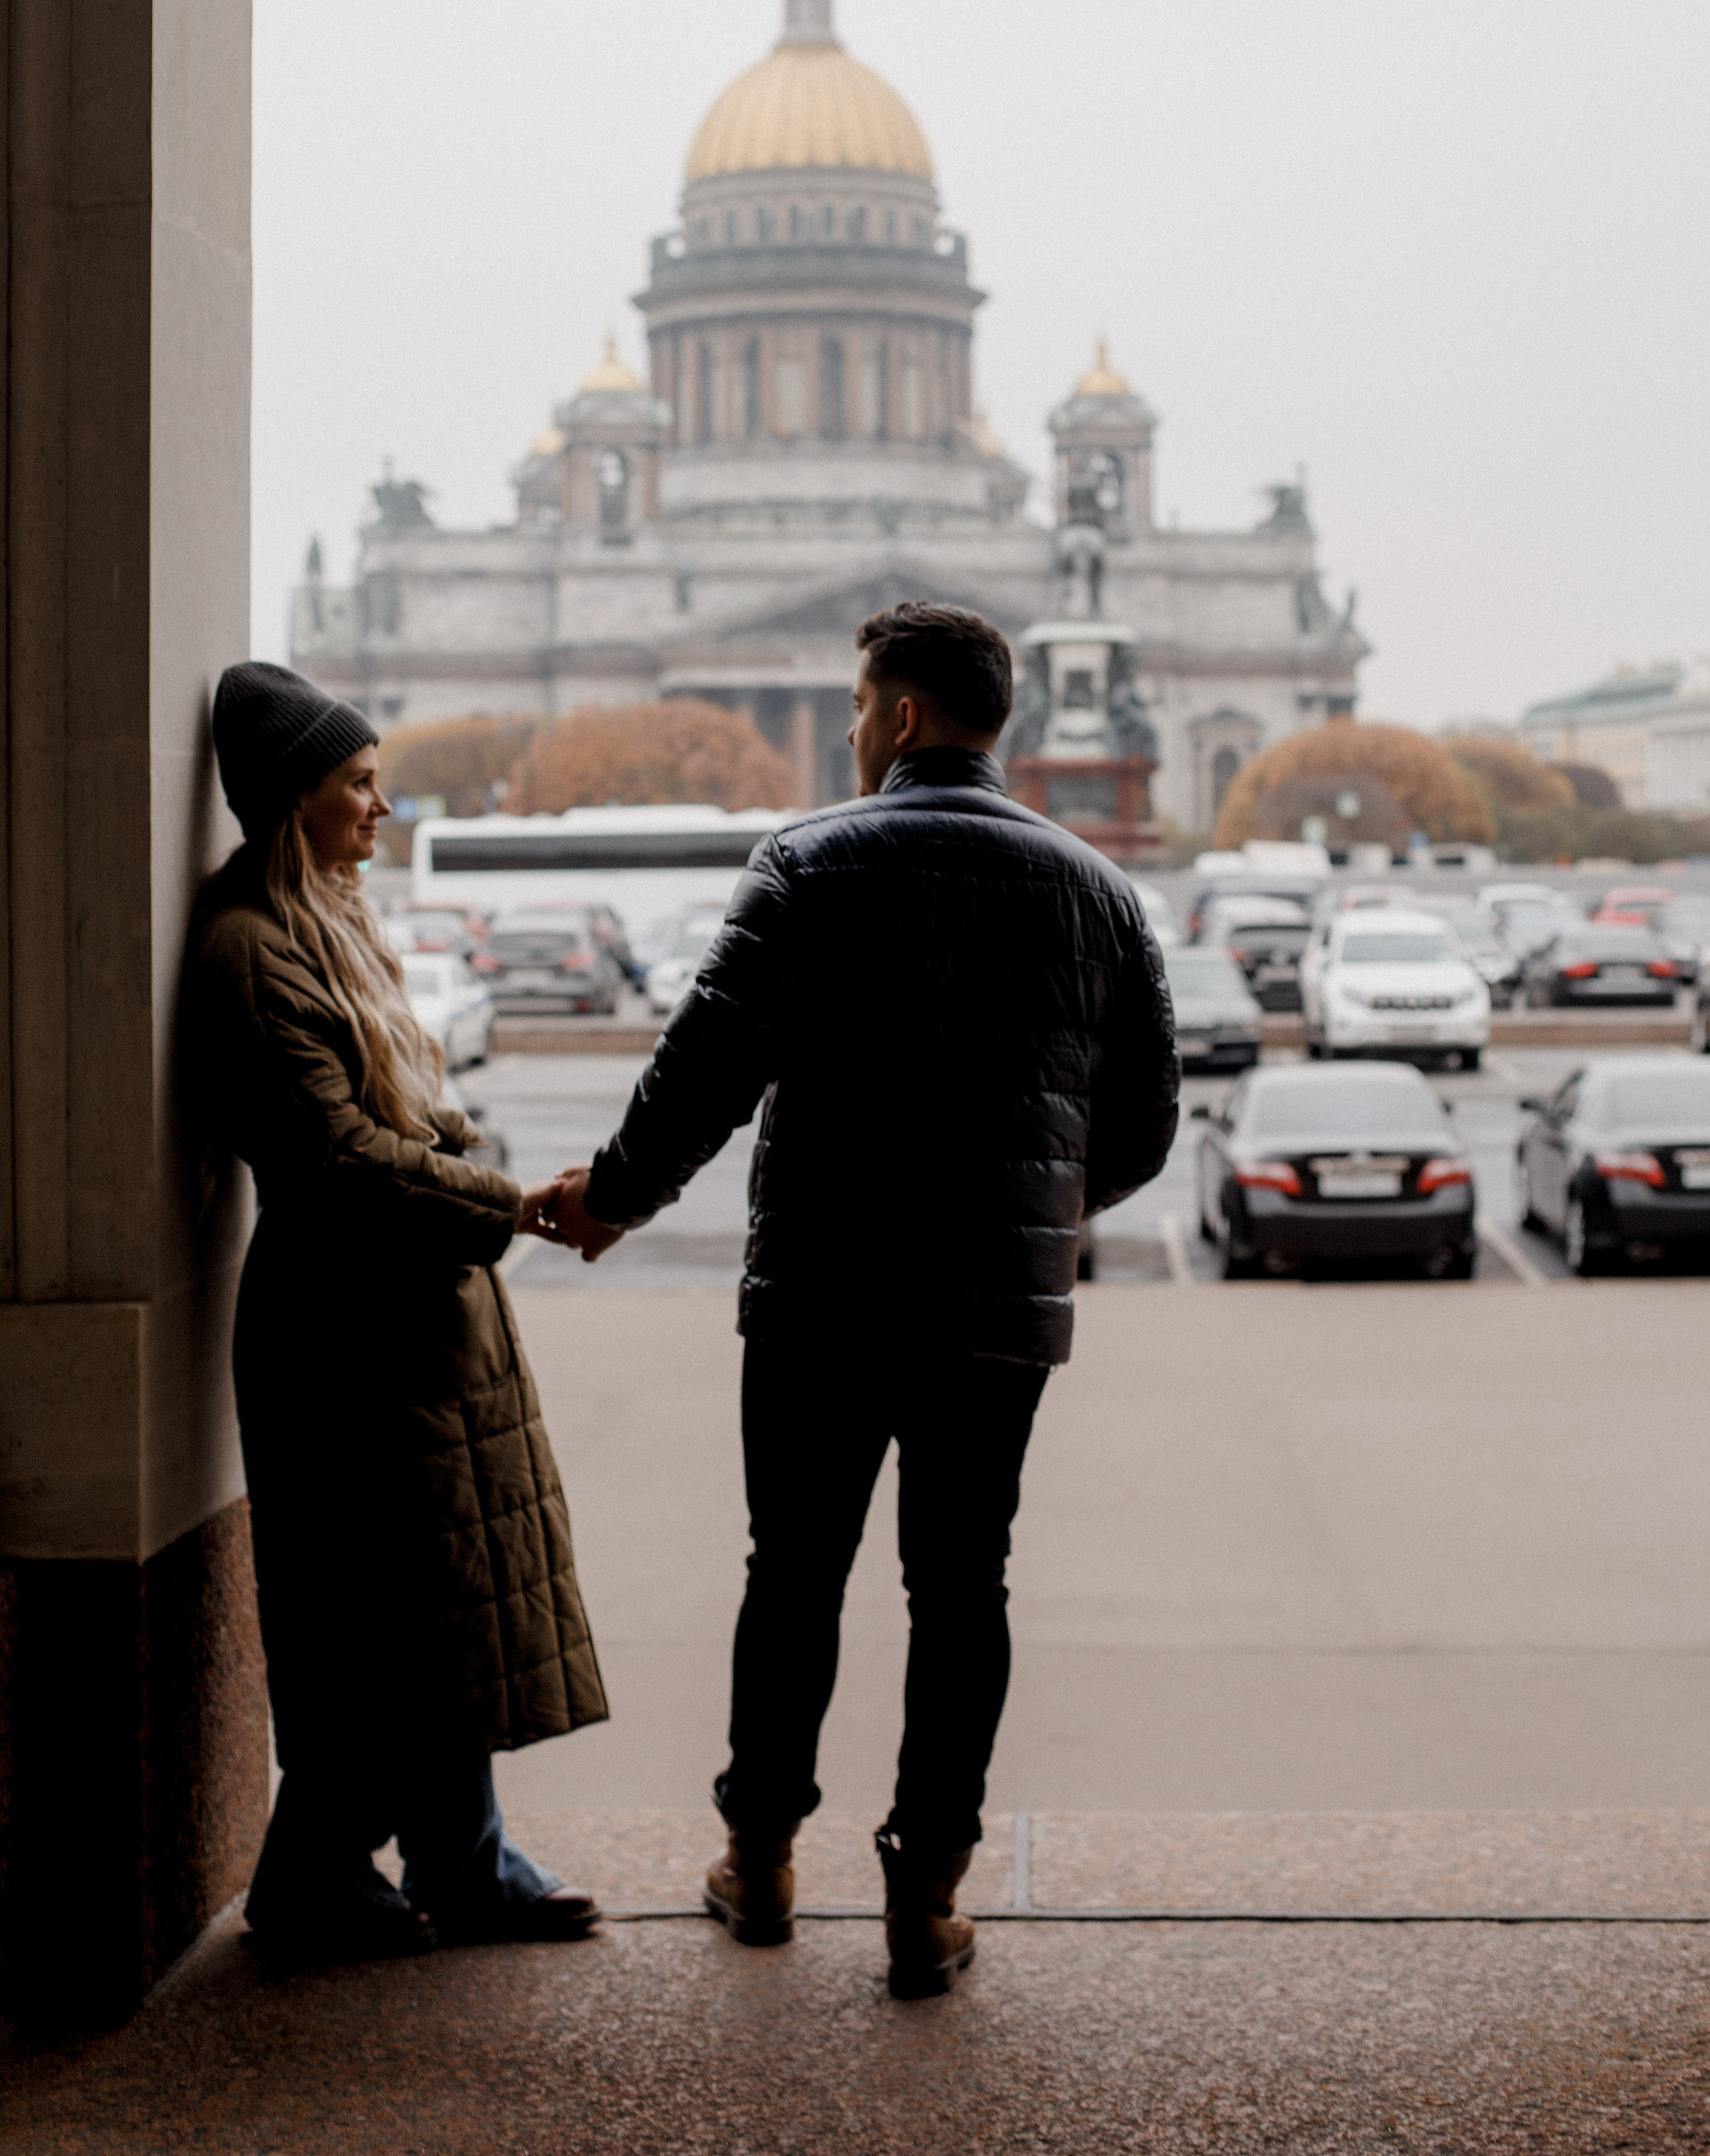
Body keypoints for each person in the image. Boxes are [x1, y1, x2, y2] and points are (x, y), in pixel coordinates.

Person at [527, 601, 1178, 1996]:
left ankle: (758, 1865)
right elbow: (1137, 1132)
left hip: (822, 1293)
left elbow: (700, 1067)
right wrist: (1032, 1218)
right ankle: (924, 1894)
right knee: (960, 1590)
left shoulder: (808, 862)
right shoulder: (1099, 892)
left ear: (894, 716)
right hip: (997, 1311)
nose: (841, 724)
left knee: (792, 1575)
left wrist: (612, 1201)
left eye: (853, 702)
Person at [194, 661, 607, 1963]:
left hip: (402, 1318)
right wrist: (508, 1204)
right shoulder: (257, 954)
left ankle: (458, 1863)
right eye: (358, 783)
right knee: (380, 1611)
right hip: (347, 1327)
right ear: (291, 803)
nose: (383, 806)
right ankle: (319, 1877)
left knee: (438, 1598)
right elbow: (335, 1159)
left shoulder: (327, 920)